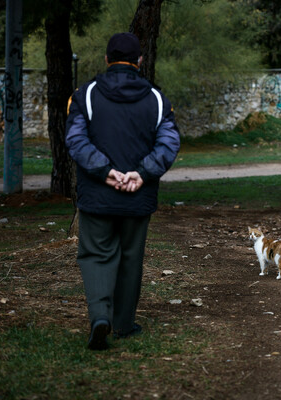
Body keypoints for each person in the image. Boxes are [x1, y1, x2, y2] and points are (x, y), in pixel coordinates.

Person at [65, 32, 181, 350]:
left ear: (106, 60)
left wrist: (104, 172)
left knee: (97, 255)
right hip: (137, 196)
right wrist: (141, 174)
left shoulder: (84, 95)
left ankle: (100, 316)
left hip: (96, 195)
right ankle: (125, 324)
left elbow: (75, 139)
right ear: (139, 61)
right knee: (131, 258)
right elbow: (169, 142)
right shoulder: (157, 99)